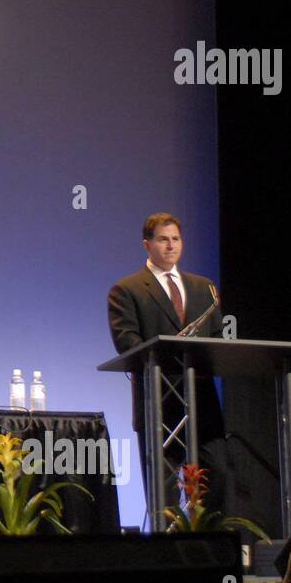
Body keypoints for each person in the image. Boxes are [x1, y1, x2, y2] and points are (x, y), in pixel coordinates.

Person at [107, 213, 229, 513]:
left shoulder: (204, 288)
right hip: (159, 403)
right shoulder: (128, 289)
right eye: (163, 239)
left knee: (220, 476)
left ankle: (207, 546)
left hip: (202, 404)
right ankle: (171, 549)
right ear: (147, 245)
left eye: (175, 239)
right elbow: (128, 344)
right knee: (163, 493)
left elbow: (217, 341)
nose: (171, 245)